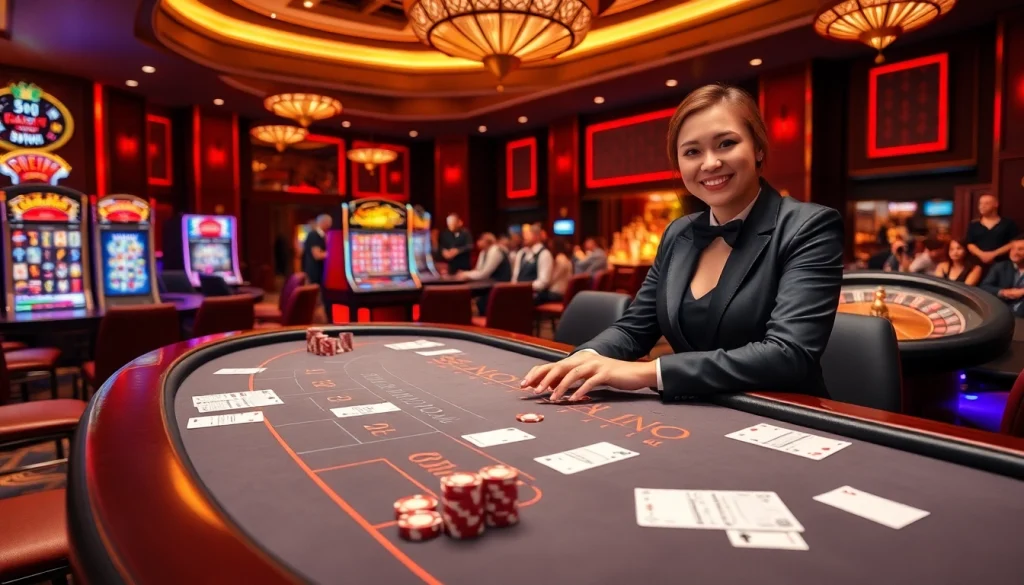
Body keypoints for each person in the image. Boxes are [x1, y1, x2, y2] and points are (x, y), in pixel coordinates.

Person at [520, 83, 844, 402]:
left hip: (782, 413)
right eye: (692, 152)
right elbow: (635, 328)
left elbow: (789, 353)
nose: (709, 163)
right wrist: (585, 357)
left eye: (726, 143)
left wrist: (649, 373)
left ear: (758, 148)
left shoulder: (808, 227)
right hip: (692, 409)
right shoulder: (679, 233)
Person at [457, 232, 511, 315]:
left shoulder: (495, 251)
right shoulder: (483, 252)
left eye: (480, 240)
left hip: (499, 287)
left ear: (487, 241)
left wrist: (466, 274)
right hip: (488, 285)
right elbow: (478, 270)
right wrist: (465, 273)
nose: (477, 242)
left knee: (477, 298)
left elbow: (484, 274)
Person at [966, 194, 1018, 266]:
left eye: (986, 203)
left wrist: (994, 254)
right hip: (977, 265)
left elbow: (1014, 242)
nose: (982, 206)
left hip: (1003, 264)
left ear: (996, 204)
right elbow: (970, 244)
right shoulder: (974, 224)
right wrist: (981, 254)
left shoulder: (1008, 223)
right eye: (980, 203)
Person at [979, 235, 1024, 316]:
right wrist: (1003, 292)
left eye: (1020, 249)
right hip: (1000, 311)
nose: (1015, 252)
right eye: (1012, 249)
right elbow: (984, 286)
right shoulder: (1001, 266)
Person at [511, 223, 555, 304]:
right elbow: (515, 277)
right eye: (524, 234)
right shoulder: (521, 253)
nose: (524, 237)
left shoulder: (544, 254)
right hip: (519, 292)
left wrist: (522, 288)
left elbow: (543, 282)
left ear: (537, 236)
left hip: (535, 294)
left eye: (528, 234)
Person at [301, 214, 332, 317]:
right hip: (314, 272)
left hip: (319, 271)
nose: (330, 226)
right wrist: (334, 253)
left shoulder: (322, 235)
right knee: (315, 301)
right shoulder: (314, 235)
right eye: (329, 223)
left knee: (319, 300)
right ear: (324, 223)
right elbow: (317, 255)